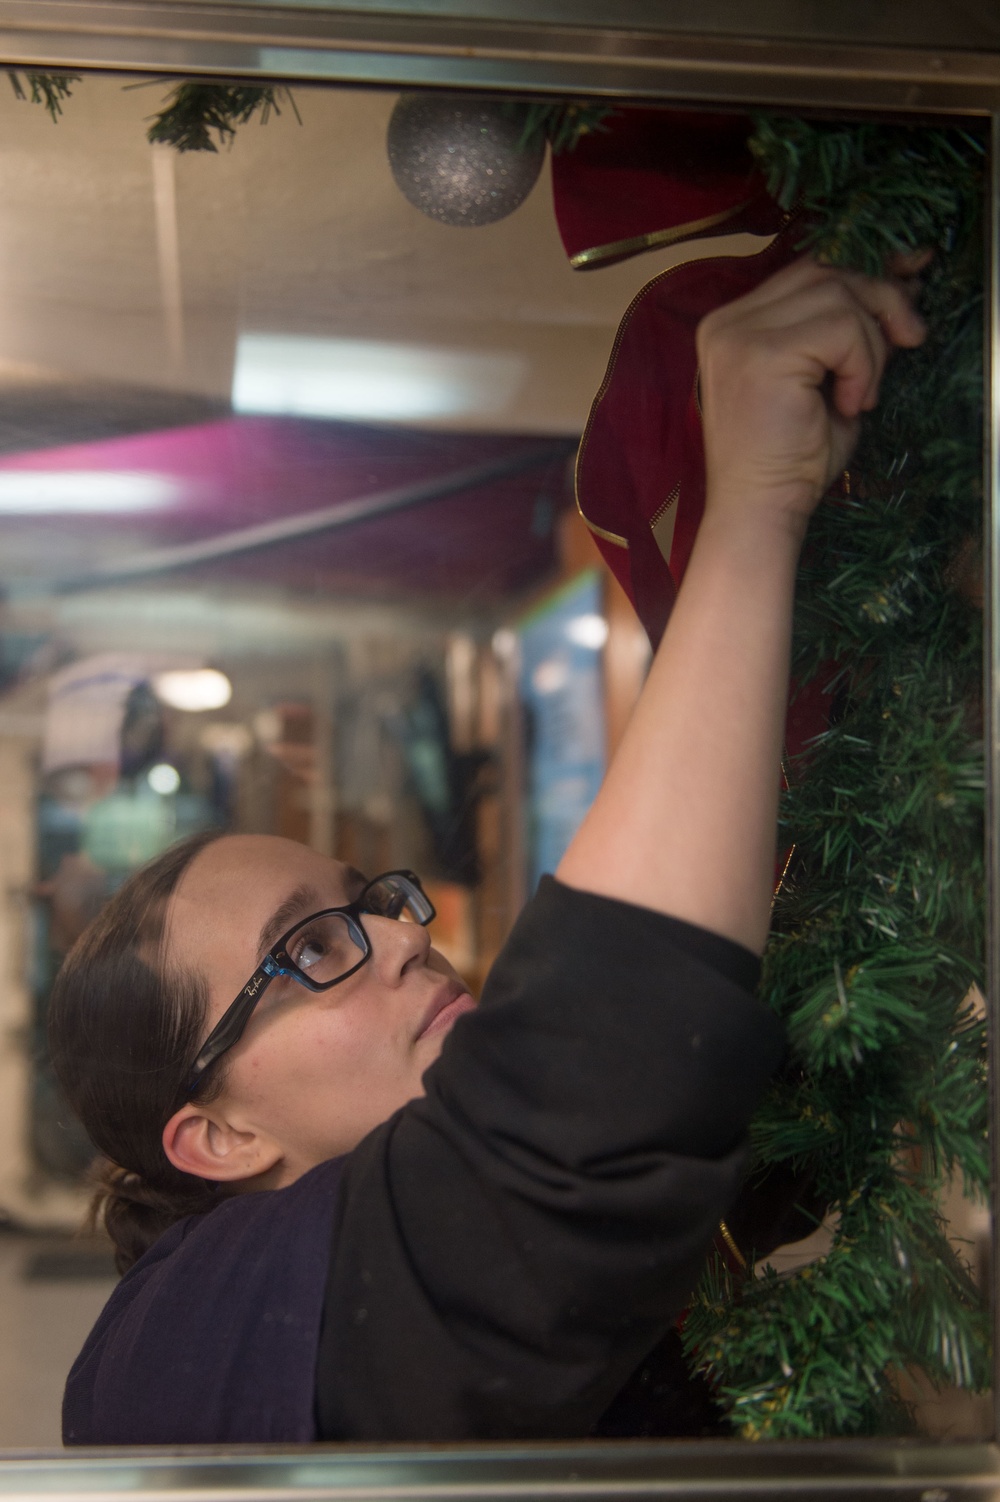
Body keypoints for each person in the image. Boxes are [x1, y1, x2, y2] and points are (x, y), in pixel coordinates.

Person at [49, 256, 925, 1446]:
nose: (403, 935)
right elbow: (576, 1121)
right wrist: (754, 504)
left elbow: (728, 1097)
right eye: (312, 947)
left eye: (370, 900)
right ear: (220, 1136)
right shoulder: (168, 1358)